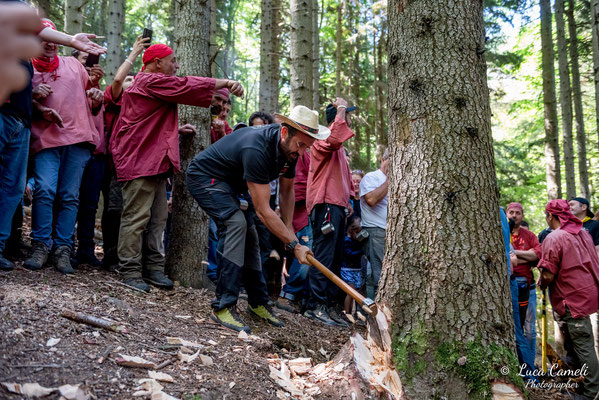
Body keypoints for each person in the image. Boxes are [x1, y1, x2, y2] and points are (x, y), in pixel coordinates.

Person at [110, 43, 244, 292]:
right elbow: (185, 85)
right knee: (136, 217)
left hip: (154, 161)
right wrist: (224, 83)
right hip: (140, 160)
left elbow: (147, 119)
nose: (177, 65)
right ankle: (129, 270)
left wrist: (174, 131)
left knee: (158, 219)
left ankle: (153, 269)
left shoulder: (152, 85)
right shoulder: (150, 79)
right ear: (157, 62)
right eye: (172, 60)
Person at [186, 105, 324, 333]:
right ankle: (222, 307)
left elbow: (287, 192)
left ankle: (258, 302)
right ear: (284, 132)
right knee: (235, 225)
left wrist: (289, 233)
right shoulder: (257, 146)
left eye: (307, 147)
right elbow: (263, 210)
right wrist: (294, 244)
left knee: (250, 234)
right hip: (205, 177)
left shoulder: (291, 152)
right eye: (300, 145)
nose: (302, 152)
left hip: (231, 184)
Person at [0, 15, 105, 271]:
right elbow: (20, 102)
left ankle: (62, 249)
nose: (49, 44)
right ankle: (40, 245)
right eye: (43, 39)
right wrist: (37, 102)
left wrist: (96, 95)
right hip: (45, 141)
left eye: (52, 39)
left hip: (78, 139)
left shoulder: (74, 64)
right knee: (45, 191)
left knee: (70, 196)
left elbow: (91, 103)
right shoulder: (27, 69)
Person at [538, 199, 599, 400]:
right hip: (587, 292)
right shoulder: (583, 233)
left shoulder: (554, 238)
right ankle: (581, 382)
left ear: (551, 216)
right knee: (578, 343)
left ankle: (591, 392)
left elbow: (547, 274)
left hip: (572, 297)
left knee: (584, 344)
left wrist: (542, 282)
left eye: (547, 215)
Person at [305, 98, 356, 327]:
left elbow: (345, 178)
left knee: (336, 258)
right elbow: (335, 137)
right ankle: (315, 306)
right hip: (325, 204)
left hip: (338, 206)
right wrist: (341, 108)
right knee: (324, 256)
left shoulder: (340, 150)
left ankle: (332, 306)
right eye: (346, 116)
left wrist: (349, 201)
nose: (349, 119)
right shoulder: (322, 139)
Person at [100, 35, 150, 272]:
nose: (131, 82)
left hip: (139, 166)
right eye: (129, 79)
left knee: (134, 214)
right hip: (115, 166)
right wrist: (134, 54)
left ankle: (131, 259)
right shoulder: (115, 99)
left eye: (135, 80)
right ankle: (111, 258)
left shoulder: (143, 105)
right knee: (114, 211)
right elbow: (118, 81)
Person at [72, 49, 106, 268]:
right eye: (85, 59)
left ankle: (86, 249)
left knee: (90, 204)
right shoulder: (71, 84)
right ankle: (64, 246)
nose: (89, 63)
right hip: (75, 149)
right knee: (69, 199)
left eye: (92, 60)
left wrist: (94, 84)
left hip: (97, 153)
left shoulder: (97, 88)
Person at [506, 202, 541, 360]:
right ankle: (515, 362)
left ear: (522, 215)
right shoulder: (501, 233)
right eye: (511, 212)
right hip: (507, 285)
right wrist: (525, 256)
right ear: (506, 214)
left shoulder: (529, 236)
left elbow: (537, 255)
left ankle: (530, 362)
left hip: (528, 286)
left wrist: (513, 252)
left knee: (529, 328)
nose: (514, 215)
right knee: (511, 326)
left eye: (517, 213)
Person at [359, 149, 389, 299]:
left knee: (385, 273)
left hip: (390, 233)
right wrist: (390, 180)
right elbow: (371, 200)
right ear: (383, 160)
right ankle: (375, 312)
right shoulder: (372, 177)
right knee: (378, 274)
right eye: (391, 159)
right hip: (375, 231)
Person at [341, 215, 366, 315]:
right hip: (348, 269)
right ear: (351, 230)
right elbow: (349, 254)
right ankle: (347, 313)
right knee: (350, 292)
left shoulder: (357, 241)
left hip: (357, 269)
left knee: (357, 291)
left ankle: (356, 312)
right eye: (357, 231)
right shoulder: (347, 241)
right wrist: (361, 251)